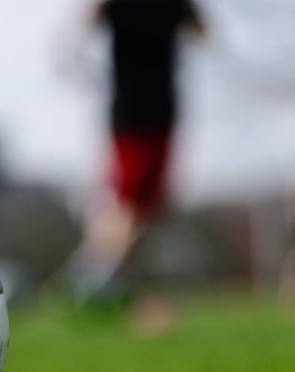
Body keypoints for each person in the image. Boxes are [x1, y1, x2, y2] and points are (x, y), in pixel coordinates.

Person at [65, 0, 206, 309]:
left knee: (149, 208)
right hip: (131, 117)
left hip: (164, 116)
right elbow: (83, 27)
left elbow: (203, 34)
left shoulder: (175, 6)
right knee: (126, 203)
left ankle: (111, 282)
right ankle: (87, 279)